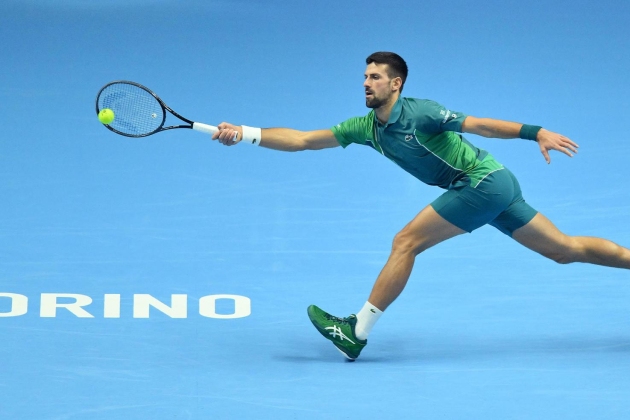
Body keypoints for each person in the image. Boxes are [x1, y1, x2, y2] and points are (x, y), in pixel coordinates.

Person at [212, 51, 630, 361]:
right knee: (564, 250)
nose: (365, 83)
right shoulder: (364, 128)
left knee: (406, 241)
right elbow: (303, 140)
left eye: (375, 77)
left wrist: (534, 131)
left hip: (483, 182)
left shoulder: (422, 113)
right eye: (364, 77)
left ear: (396, 84)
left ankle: (356, 330)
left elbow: (479, 125)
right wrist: (245, 132)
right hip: (492, 188)